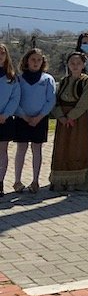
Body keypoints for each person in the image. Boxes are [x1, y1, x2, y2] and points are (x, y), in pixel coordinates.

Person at [12, 48, 57, 194]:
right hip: (22, 119)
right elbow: (15, 100)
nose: (36, 62)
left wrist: (39, 117)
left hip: (40, 119)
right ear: (26, 61)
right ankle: (17, 181)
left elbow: (50, 100)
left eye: (39, 60)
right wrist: (24, 116)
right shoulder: (18, 79)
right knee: (21, 150)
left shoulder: (48, 79)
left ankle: (35, 181)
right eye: (33, 59)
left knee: (37, 149)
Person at [50, 51, 88, 191]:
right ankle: (61, 181)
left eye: (78, 63)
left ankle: (78, 182)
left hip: (78, 120)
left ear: (83, 65)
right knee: (62, 148)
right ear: (68, 64)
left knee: (79, 148)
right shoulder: (63, 81)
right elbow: (55, 101)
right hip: (63, 121)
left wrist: (71, 116)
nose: (75, 66)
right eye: (72, 63)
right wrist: (61, 117)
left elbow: (85, 101)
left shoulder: (87, 81)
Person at [0, 44, 22, 197]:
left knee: (2, 152)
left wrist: (5, 114)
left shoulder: (11, 77)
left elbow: (15, 98)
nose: (0, 56)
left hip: (4, 120)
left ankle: (0, 182)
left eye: (2, 53)